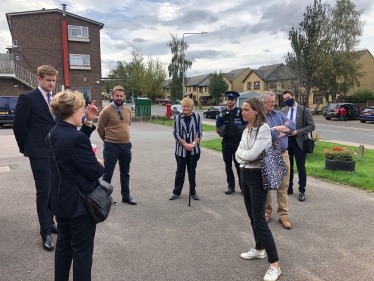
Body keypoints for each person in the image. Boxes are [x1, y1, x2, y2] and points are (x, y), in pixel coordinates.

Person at [45, 90, 103, 281]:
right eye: (81, 110)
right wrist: (99, 163)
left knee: (63, 248)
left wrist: (88, 123)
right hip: (79, 207)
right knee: (82, 254)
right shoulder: (75, 139)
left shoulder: (52, 133)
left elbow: (71, 149)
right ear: (72, 111)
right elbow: (94, 171)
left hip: (60, 202)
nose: (83, 113)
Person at [13, 65, 59, 251]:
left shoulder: (56, 99)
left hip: (56, 152)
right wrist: (27, 148)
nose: (51, 84)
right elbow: (18, 126)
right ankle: (45, 232)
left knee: (54, 189)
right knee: (43, 191)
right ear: (39, 79)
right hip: (38, 153)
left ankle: (51, 221)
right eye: (48, 80)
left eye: (54, 80)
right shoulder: (27, 98)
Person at [235, 97, 281, 281]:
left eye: (246, 109)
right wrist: (245, 157)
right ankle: (259, 249)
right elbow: (239, 152)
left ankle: (274, 265)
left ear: (256, 111)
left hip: (257, 177)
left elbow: (253, 154)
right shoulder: (246, 129)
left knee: (260, 220)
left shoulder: (263, 129)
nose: (243, 112)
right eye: (243, 109)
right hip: (244, 174)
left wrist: (245, 156)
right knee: (252, 216)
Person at [260, 91, 295, 229]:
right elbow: (268, 135)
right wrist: (281, 131)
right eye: (270, 102)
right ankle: (267, 211)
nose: (273, 104)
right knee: (268, 186)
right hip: (268, 155)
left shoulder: (280, 114)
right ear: (263, 103)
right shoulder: (260, 117)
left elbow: (292, 127)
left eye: (274, 101)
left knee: (283, 186)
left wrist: (274, 129)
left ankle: (283, 215)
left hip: (283, 153)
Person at [97, 86, 136, 205]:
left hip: (126, 146)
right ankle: (104, 199)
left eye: (121, 96)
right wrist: (107, 140)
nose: (119, 98)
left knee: (125, 173)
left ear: (125, 97)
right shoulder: (106, 110)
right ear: (113, 96)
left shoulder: (128, 110)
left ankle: (126, 196)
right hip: (111, 146)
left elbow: (127, 124)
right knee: (107, 174)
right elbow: (99, 128)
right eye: (117, 95)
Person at [281, 90, 315, 201]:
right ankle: (289, 188)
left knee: (301, 168)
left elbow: (311, 126)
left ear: (294, 97)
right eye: (285, 99)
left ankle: (301, 191)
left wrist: (298, 132)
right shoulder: (283, 110)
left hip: (299, 142)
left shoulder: (304, 110)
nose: (287, 100)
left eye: (288, 97)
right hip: (287, 141)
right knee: (288, 167)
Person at [169, 97, 202, 200]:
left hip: (194, 150)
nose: (185, 108)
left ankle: (193, 192)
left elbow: (199, 132)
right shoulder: (177, 118)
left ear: (191, 107)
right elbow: (176, 133)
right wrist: (185, 144)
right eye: (184, 106)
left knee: (192, 171)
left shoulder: (197, 117)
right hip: (181, 151)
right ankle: (176, 192)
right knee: (180, 171)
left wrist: (192, 144)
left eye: (187, 106)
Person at [216, 91, 247, 195]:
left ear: (235, 100)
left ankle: (243, 187)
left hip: (238, 143)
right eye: (228, 99)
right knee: (228, 165)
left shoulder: (241, 112)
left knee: (239, 166)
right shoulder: (222, 113)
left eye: (232, 99)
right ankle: (231, 186)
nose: (230, 101)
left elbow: (246, 127)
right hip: (226, 143)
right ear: (226, 100)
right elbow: (217, 129)